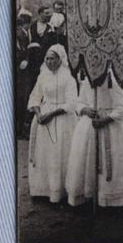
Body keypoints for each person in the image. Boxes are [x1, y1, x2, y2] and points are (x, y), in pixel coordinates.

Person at [66, 72, 123, 208]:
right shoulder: (87, 81)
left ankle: (108, 197)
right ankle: (87, 194)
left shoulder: (111, 81)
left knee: (107, 159)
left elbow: (122, 108)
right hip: (88, 125)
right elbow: (79, 102)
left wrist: (106, 119)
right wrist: (85, 109)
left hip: (107, 125)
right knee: (85, 158)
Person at [27, 45, 78, 203]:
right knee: (44, 154)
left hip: (62, 120)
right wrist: (39, 113)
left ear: (60, 59)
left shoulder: (68, 79)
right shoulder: (42, 76)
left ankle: (59, 191)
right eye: (47, 59)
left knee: (59, 154)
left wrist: (52, 114)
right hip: (43, 118)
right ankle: (42, 189)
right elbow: (35, 97)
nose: (49, 62)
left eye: (53, 58)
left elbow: (72, 103)